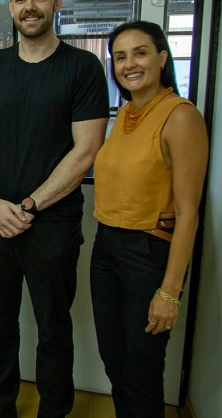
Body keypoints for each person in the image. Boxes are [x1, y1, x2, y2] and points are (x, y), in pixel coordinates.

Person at [0, 0, 109, 418]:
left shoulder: (83, 68)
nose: (30, 7)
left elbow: (86, 150)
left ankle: (54, 409)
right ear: (11, 6)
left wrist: (27, 206)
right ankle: (1, 402)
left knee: (52, 327)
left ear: (56, 2)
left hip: (52, 224)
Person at [91, 21, 208, 418]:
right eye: (120, 57)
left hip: (149, 251)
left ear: (161, 57)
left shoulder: (180, 116)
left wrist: (170, 292)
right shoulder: (125, 113)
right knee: (115, 360)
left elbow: (190, 213)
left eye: (140, 53)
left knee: (141, 368)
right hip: (107, 247)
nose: (129, 64)